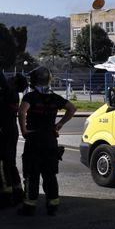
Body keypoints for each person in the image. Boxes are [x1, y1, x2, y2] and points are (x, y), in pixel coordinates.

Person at [17, 67, 76, 216]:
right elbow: (72, 108)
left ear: (34, 80)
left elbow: (22, 112)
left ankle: (29, 206)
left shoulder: (30, 97)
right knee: (49, 174)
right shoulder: (55, 98)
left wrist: (24, 130)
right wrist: (59, 124)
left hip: (34, 139)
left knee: (32, 174)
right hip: (50, 140)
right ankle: (52, 205)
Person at [0, 74, 28, 208]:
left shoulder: (9, 92)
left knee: (2, 164)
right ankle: (18, 193)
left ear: (16, 84)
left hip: (5, 131)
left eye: (13, 78)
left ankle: (6, 195)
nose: (10, 78)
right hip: (11, 130)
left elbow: (3, 82)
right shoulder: (13, 94)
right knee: (10, 163)